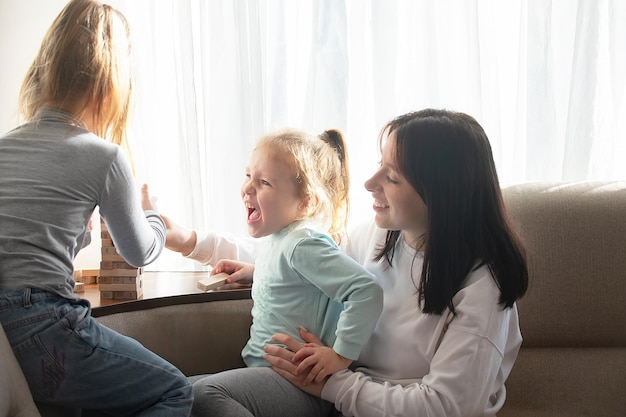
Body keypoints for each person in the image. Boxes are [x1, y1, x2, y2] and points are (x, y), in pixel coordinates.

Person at [166, 109, 529, 416]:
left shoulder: (483, 291)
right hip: (335, 396)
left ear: (443, 194)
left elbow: (443, 407)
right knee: (172, 391)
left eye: (392, 177)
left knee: (204, 397)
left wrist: (331, 383)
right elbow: (299, 253)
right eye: (378, 166)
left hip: (349, 398)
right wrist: (197, 245)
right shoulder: (381, 235)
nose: (370, 183)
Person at [0, 1, 192, 415]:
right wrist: (152, 215)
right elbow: (138, 250)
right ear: (111, 85)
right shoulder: (103, 156)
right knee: (175, 390)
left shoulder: (4, 147)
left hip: (5, 335)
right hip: (46, 325)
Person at [154, 128, 383, 416]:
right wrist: (254, 271)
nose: (248, 188)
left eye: (264, 182)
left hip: (300, 386)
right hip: (269, 377)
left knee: (204, 394)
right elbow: (295, 281)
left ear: (306, 203)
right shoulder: (283, 238)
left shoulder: (302, 242)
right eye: (248, 175)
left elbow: (366, 290)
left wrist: (339, 356)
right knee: (175, 390)